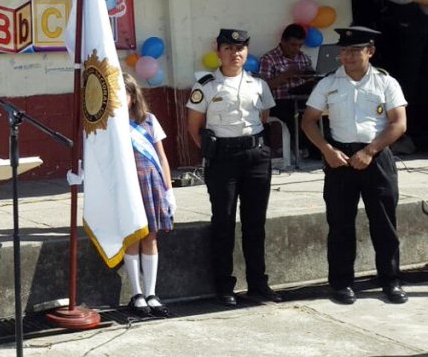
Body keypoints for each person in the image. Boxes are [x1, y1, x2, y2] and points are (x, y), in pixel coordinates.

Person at [300, 27, 408, 305]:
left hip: (376, 154)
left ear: (369, 51)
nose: (346, 56)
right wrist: (326, 150)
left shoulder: (386, 82)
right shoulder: (328, 83)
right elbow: (308, 120)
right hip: (340, 158)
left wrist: (370, 151)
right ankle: (341, 284)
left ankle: (391, 281)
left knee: (384, 224)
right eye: (343, 51)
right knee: (340, 224)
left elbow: (399, 123)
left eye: (354, 50)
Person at [186, 29, 282, 307]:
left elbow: (264, 118)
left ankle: (258, 284)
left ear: (246, 52)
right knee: (224, 221)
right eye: (228, 48)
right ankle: (224, 286)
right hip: (222, 159)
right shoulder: (205, 85)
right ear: (218, 51)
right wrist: (212, 151)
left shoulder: (258, 84)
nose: (235, 54)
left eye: (240, 49)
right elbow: (194, 128)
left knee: (255, 223)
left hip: (255, 156)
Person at [122, 73, 176, 317]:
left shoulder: (150, 121)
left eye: (124, 93)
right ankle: (136, 294)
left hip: (151, 183)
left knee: (151, 237)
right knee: (133, 236)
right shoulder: (111, 126)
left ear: (133, 97)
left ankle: (151, 292)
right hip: (128, 185)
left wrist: (169, 190)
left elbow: (162, 157)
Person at [258, 23, 316, 152]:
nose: (296, 49)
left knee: (318, 111)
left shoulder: (304, 57)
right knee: (292, 113)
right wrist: (285, 76)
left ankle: (317, 149)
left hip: (303, 99)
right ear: (283, 41)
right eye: (293, 45)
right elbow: (263, 88)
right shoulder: (269, 59)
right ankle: (301, 148)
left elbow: (312, 78)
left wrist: (309, 77)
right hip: (279, 102)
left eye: (300, 45)